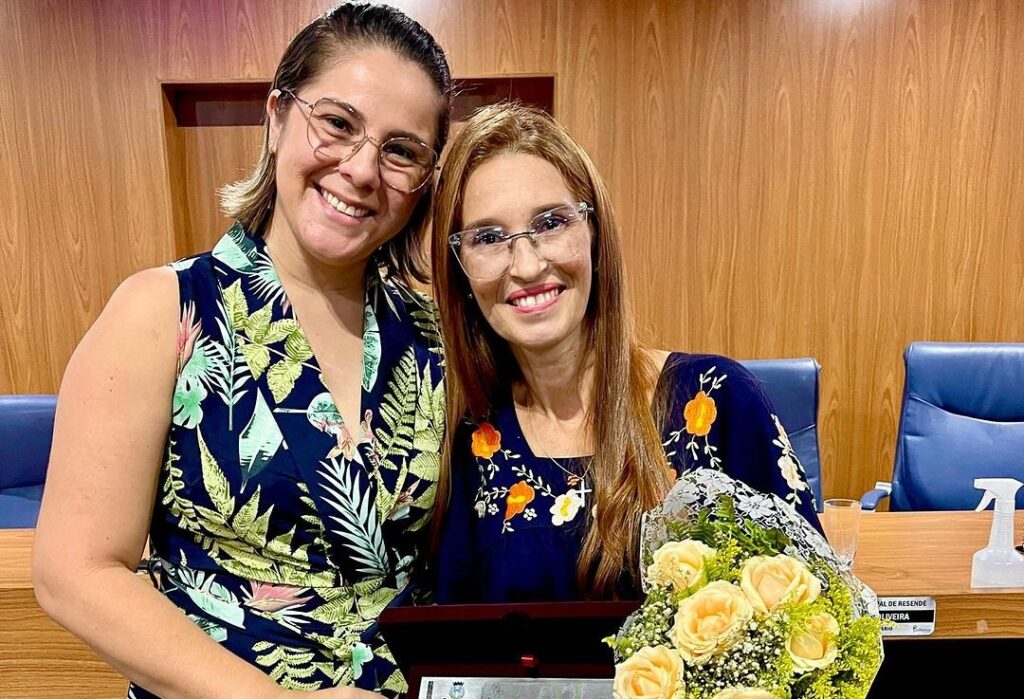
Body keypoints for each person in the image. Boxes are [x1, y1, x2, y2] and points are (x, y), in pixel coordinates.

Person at [32, 4, 450, 697]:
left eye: (401, 150)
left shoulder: (436, 336)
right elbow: (74, 573)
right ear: (278, 116)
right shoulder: (162, 310)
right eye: (337, 123)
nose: (361, 169)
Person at [431, 103, 820, 604]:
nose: (526, 265)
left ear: (593, 232)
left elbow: (822, 617)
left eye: (550, 223)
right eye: (488, 237)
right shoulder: (472, 442)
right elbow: (454, 637)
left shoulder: (717, 401)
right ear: (459, 266)